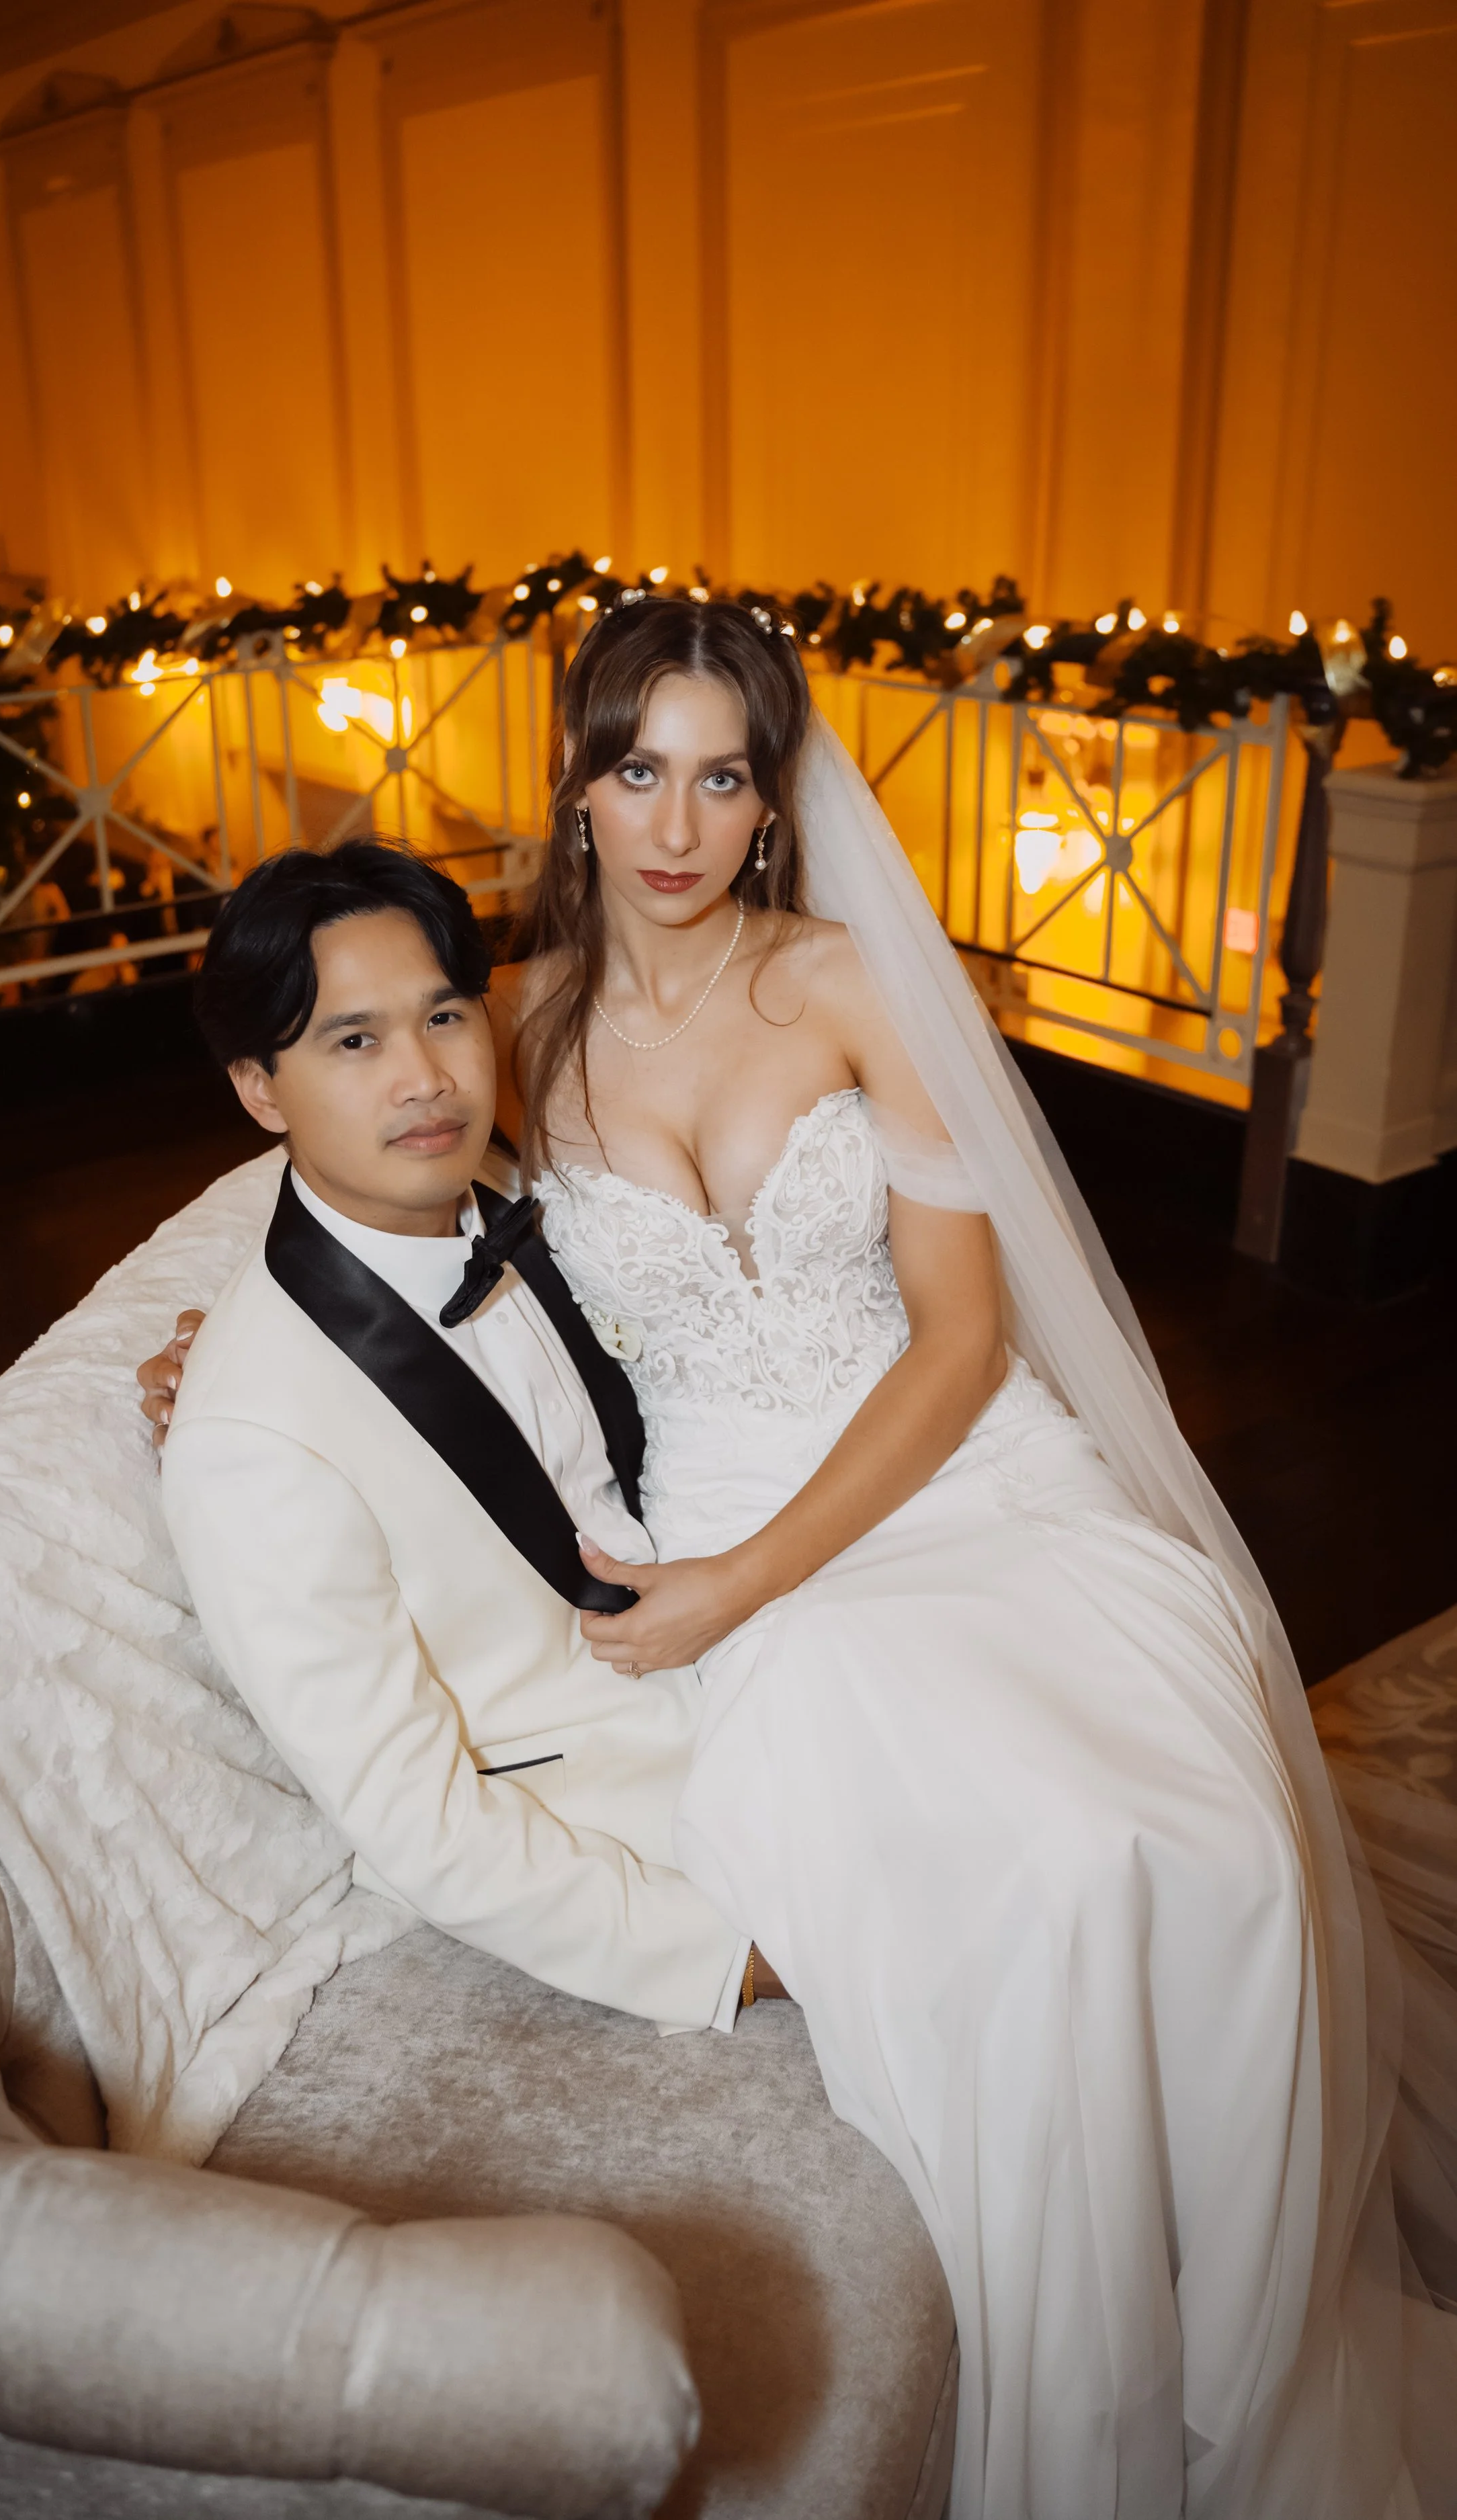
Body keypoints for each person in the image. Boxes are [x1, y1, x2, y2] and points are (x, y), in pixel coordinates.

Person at [145, 598, 1456, 2519]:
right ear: (577, 787)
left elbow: (962, 1337)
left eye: (721, 775)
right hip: (721, 1520)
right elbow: (362, 1163)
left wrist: (752, 1573)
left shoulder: (852, 983)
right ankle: (1097, 2391)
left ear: (772, 801)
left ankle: (1238, 2368)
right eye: (635, 770)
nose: (675, 824)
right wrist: (217, 1336)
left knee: (1221, 1841)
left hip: (950, 1468)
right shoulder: (506, 1024)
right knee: (1060, 1865)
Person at [153, 839, 769, 2035]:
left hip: (754, 1671)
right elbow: (414, 1816)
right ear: (261, 1091)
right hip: (630, 1814)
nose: (426, 1078)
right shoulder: (247, 1432)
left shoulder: (522, 1202)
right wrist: (737, 1958)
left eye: (444, 1017)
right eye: (354, 1041)